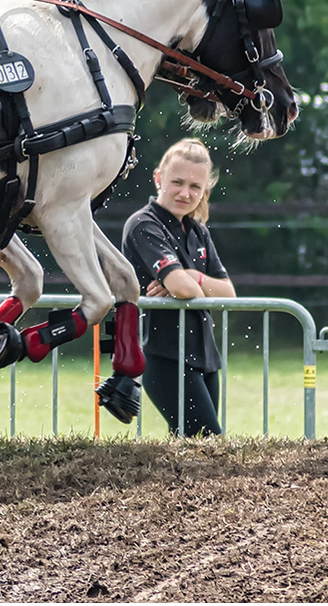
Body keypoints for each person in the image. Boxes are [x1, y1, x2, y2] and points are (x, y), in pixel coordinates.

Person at [121, 138, 236, 436]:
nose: (186, 193)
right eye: (178, 182)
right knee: (209, 441)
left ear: (205, 191)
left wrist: (191, 277)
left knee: (192, 450)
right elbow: (181, 289)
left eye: (195, 187)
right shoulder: (143, 225)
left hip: (206, 356)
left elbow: (228, 294)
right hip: (165, 355)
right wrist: (184, 283)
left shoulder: (198, 230)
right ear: (159, 177)